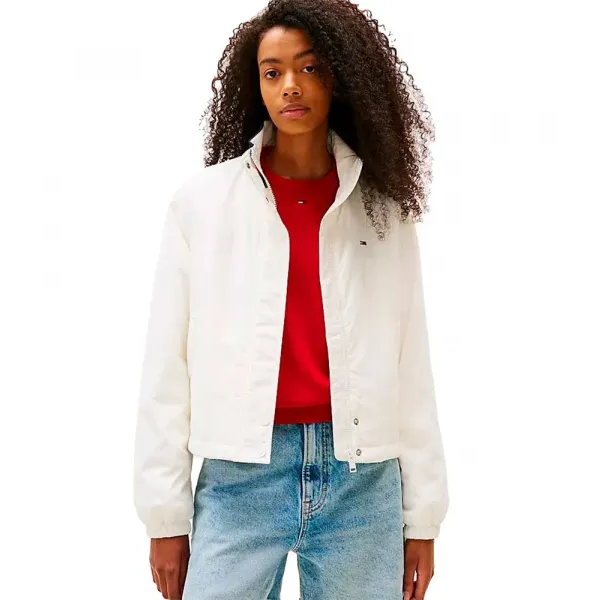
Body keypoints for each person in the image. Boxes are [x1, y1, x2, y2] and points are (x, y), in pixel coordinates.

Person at [133, 1, 449, 598]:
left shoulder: (382, 210)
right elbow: (166, 367)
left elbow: (411, 364)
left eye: (309, 68)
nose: (291, 86)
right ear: (255, 86)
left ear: (340, 77)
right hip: (239, 479)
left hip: (363, 481)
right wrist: (165, 516)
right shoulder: (202, 204)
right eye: (272, 72)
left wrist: (422, 519)